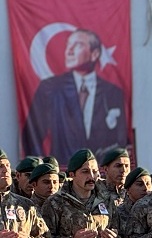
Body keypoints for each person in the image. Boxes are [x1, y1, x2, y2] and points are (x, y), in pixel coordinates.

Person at [22, 29, 128, 162]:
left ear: (94, 54)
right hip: (62, 174)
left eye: (77, 45)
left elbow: (120, 140)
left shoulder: (113, 92)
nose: (69, 51)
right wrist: (42, 166)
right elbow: (31, 134)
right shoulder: (50, 88)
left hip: (99, 175)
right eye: (68, 45)